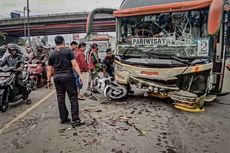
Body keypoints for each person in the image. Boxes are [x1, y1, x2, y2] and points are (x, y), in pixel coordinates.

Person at [47, 36, 84, 126]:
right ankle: (75, 119)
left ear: (55, 43)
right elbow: (74, 64)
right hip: (68, 77)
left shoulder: (52, 54)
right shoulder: (68, 51)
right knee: (73, 98)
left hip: (57, 78)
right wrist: (80, 75)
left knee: (60, 99)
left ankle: (63, 119)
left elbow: (49, 69)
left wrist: (48, 80)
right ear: (63, 41)